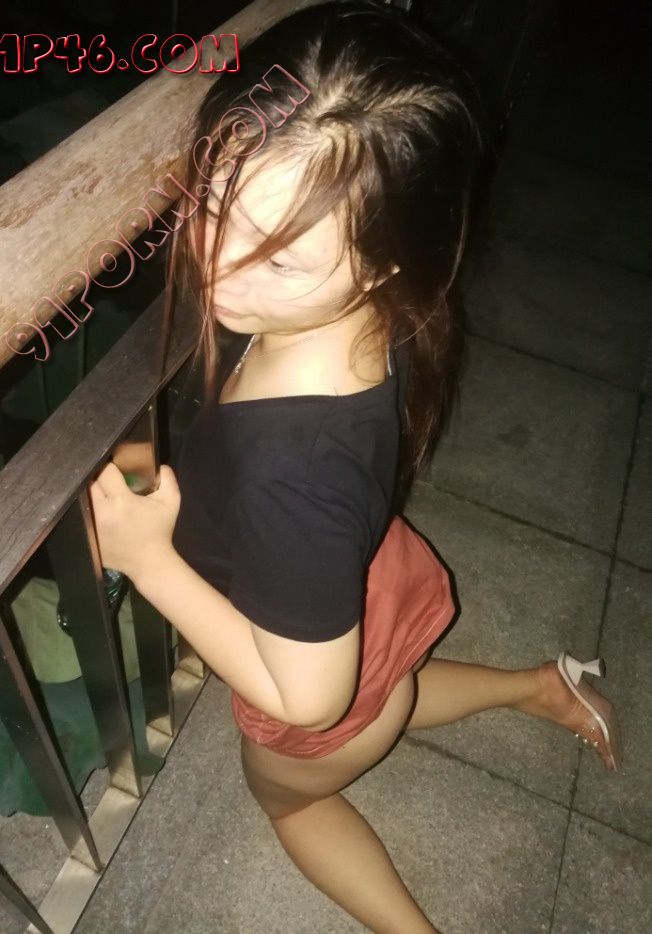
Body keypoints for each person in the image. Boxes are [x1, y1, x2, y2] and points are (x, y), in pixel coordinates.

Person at [89, 3, 622, 931]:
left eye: (281, 259)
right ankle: (540, 686)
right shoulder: (382, 315)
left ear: (384, 265)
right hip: (364, 592)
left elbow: (313, 697)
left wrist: (149, 560)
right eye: (212, 202)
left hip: (322, 659)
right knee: (391, 690)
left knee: (292, 803)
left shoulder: (292, 480)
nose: (215, 265)